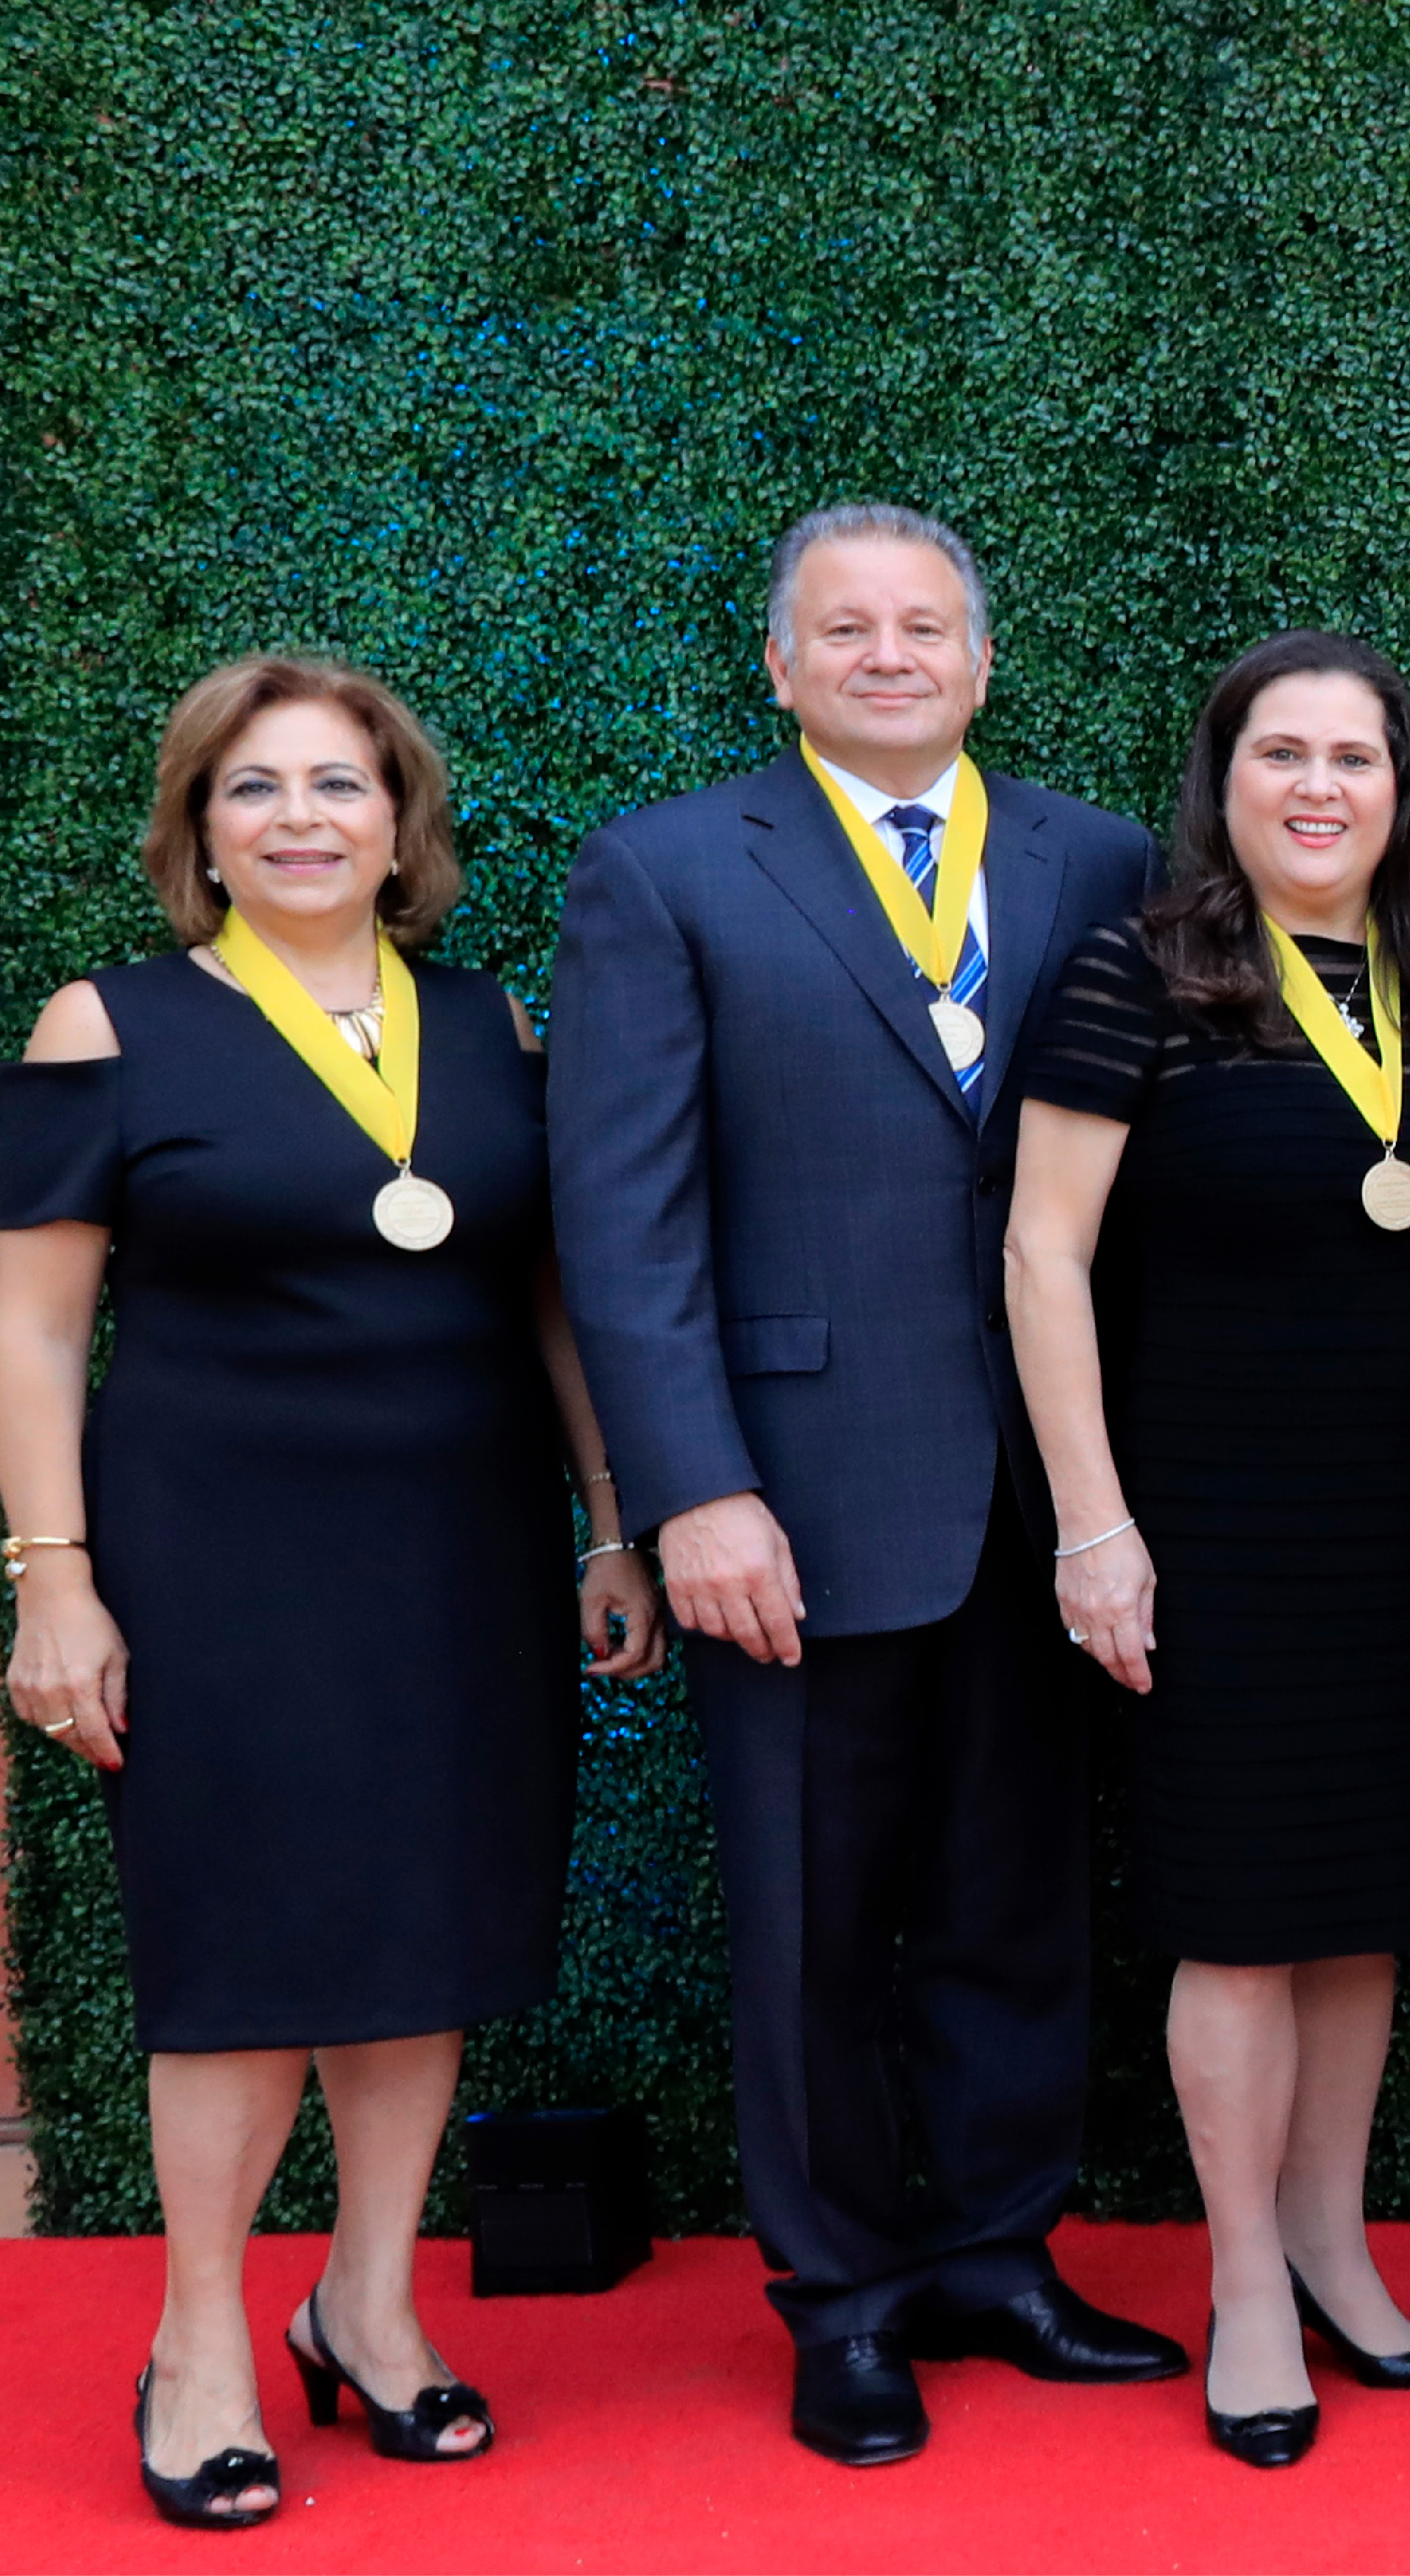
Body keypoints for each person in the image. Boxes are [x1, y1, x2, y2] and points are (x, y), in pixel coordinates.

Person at [1, 659, 666, 2528]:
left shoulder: (488, 1015)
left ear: (401, 824)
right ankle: (201, 2337)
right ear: (196, 830)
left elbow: (550, 1293)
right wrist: (52, 1582)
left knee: (422, 1926)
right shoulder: (106, 1024)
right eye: (253, 789)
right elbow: (36, 1332)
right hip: (214, 1556)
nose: (300, 817)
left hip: (458, 1547)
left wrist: (613, 1519)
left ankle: (367, 2306)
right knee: (238, 1951)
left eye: (338, 786)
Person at [550, 503, 1184, 2466]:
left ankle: (999, 2250)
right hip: (793, 1497)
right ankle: (843, 2298)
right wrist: (690, 1493)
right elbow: (622, 1217)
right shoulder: (665, 869)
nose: (890, 655)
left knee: (1016, 1894)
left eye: (926, 627)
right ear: (783, 666)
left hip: (1044, 1488)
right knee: (811, 1918)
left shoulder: (1100, 859)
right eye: (848, 630)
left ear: (984, 662)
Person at [1003, 629, 1410, 2467]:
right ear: (1221, 782)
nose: (1319, 788)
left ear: (1403, 794)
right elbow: (1042, 1254)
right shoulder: (1132, 972)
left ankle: (1333, 2249)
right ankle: (1242, 2285)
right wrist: (1092, 1521)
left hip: (1393, 1514)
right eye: (1280, 754)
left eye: (1356, 760)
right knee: (1234, 1914)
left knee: (1360, 1904)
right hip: (1201, 1516)